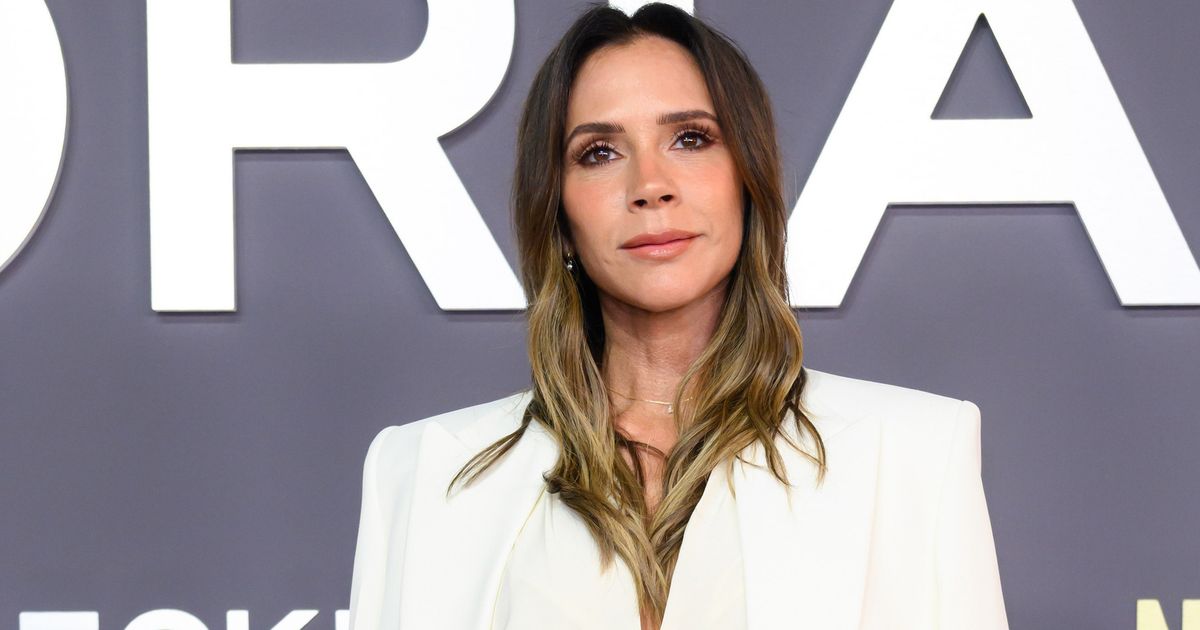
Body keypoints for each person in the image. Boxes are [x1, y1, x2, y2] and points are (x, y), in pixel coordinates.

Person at [348, 4, 1009, 629]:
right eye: (599, 152)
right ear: (559, 213)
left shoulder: (913, 455)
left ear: (747, 180)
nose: (650, 186)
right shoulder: (419, 474)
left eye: (691, 139)